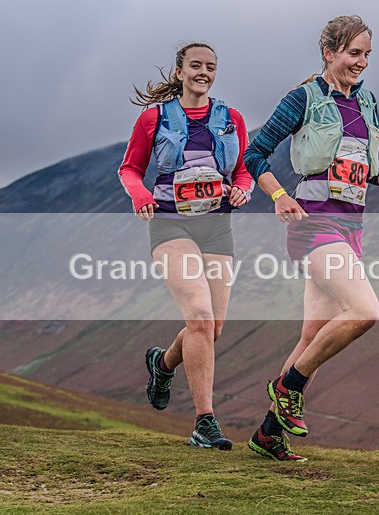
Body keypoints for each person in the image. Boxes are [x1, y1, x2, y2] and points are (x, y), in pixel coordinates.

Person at [243, 15, 379, 462]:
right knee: (365, 311)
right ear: (329, 53)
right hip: (313, 223)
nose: (361, 62)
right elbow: (254, 154)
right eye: (353, 53)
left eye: (367, 55)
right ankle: (289, 388)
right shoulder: (303, 99)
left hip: (350, 228)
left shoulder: (367, 102)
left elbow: (365, 169)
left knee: (312, 337)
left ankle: (269, 434)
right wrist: (279, 195)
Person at [118, 42, 253, 450]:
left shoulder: (231, 118)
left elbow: (244, 170)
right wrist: (140, 196)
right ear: (180, 72)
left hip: (216, 228)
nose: (203, 73)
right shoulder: (153, 118)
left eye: (210, 67)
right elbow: (129, 169)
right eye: (195, 65)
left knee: (211, 328)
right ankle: (204, 422)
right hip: (170, 224)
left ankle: (162, 364)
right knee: (198, 316)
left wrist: (243, 190)